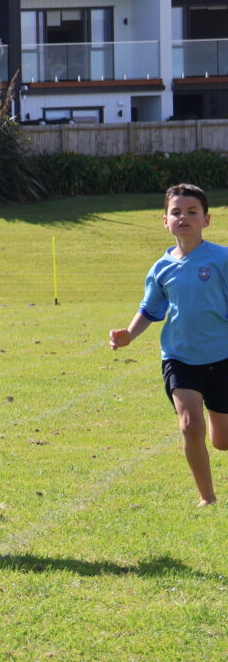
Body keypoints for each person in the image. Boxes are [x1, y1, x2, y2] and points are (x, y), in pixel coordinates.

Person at [110, 184, 228, 505]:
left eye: (192, 211)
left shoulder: (222, 259)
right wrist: (128, 335)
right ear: (165, 221)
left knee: (222, 441)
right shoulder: (160, 268)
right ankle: (207, 498)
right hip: (179, 358)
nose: (183, 217)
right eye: (176, 212)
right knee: (190, 425)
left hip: (222, 357)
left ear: (206, 219)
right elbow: (150, 310)